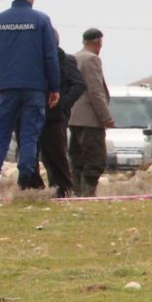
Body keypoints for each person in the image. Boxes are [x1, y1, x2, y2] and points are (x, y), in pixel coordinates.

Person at [0, 0, 60, 200]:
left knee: (0, 136)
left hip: (6, 87)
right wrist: (54, 87)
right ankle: (24, 183)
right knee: (29, 136)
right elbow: (50, 56)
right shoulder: (41, 20)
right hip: (35, 88)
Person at [35, 36, 87, 197]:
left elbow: (79, 84)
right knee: (42, 154)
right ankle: (45, 187)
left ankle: (62, 188)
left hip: (56, 114)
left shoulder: (65, 59)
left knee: (56, 153)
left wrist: (62, 104)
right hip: (37, 111)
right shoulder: (35, 58)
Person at [67, 28, 114, 197]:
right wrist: (106, 116)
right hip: (90, 119)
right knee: (95, 160)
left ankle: (77, 193)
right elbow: (95, 91)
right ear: (98, 42)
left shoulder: (74, 57)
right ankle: (87, 193)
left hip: (74, 117)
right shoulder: (92, 59)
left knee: (77, 159)